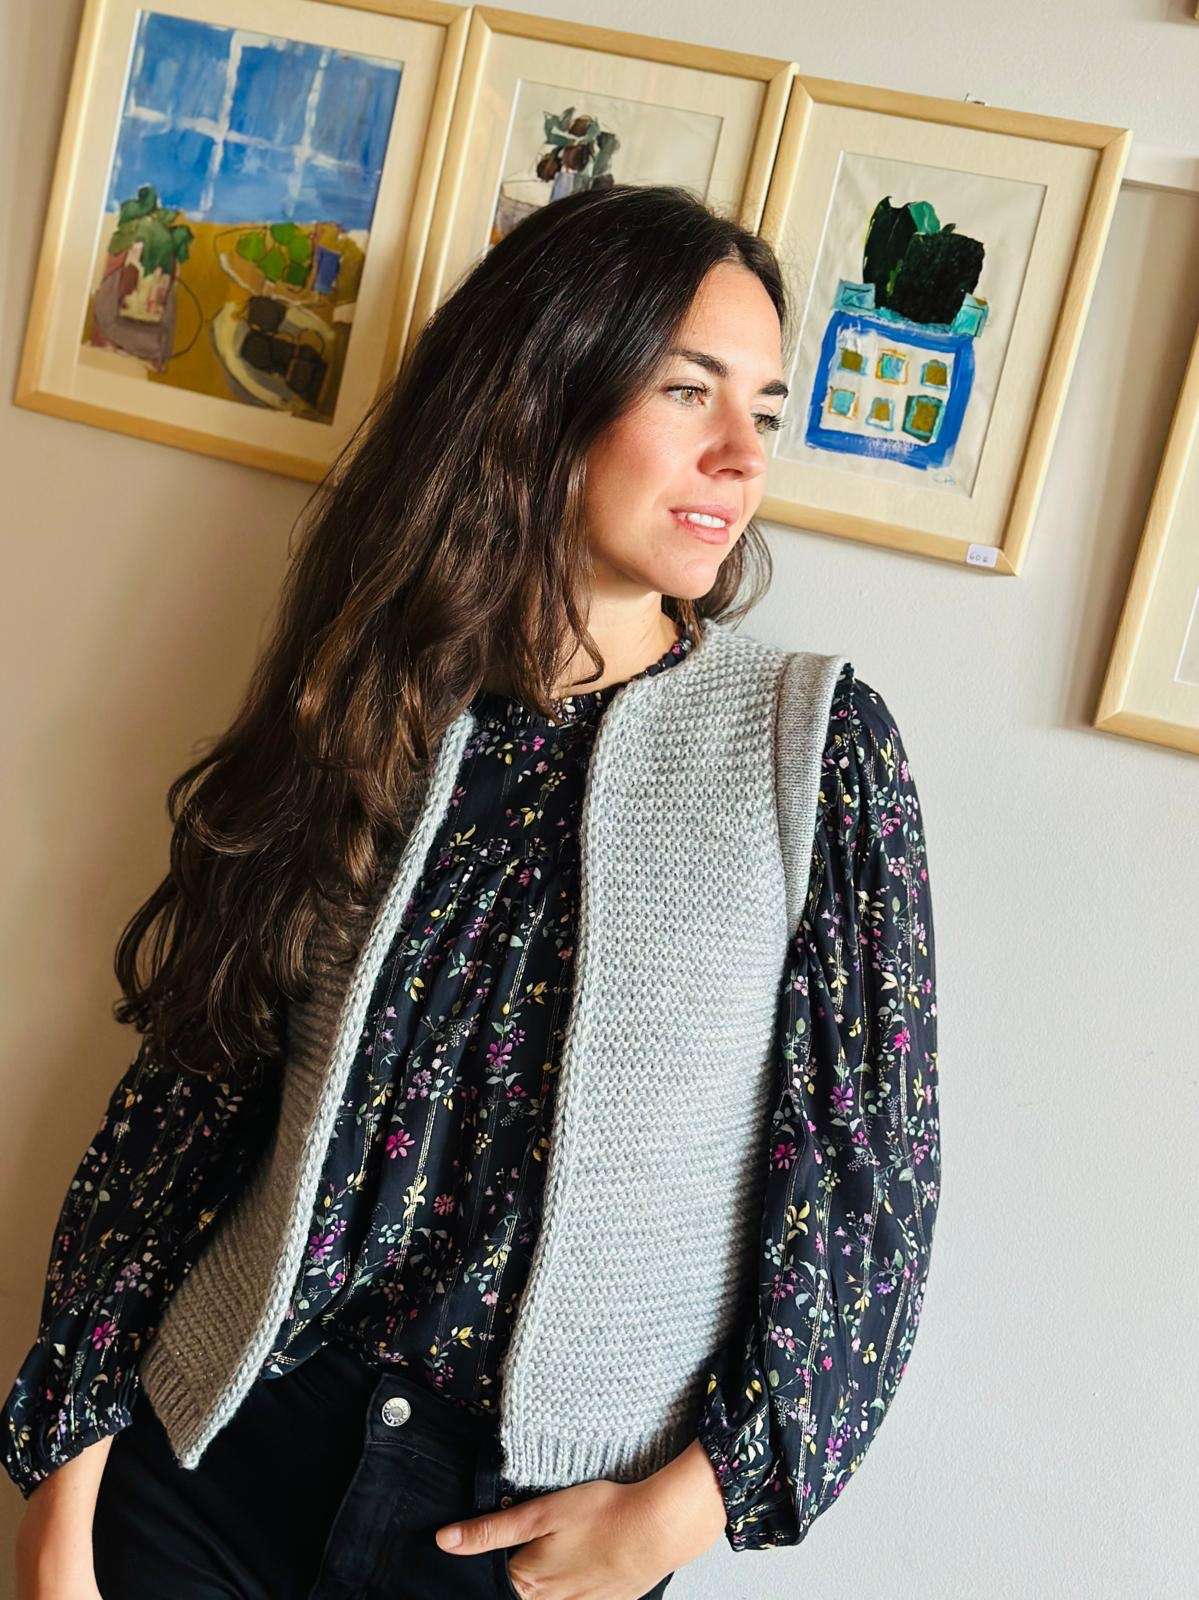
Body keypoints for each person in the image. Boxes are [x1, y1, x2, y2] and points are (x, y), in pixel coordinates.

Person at [4, 183, 941, 1600]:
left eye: (764, 406)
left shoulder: (813, 752)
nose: (742, 454)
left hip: (523, 1539)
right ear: (549, 389)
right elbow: (189, 1097)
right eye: (688, 390)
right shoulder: (375, 698)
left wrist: (682, 1514)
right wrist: (60, 1495)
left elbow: (865, 1195)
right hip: (213, 1470)